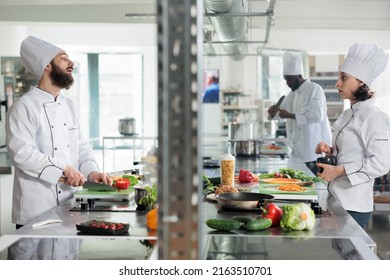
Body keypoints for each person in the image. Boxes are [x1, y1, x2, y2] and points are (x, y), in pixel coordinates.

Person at [5, 36, 112, 228]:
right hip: (35, 209)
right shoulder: (24, 107)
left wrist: (91, 172)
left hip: (68, 205)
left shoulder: (68, 105)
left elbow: (80, 146)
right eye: (64, 58)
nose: (71, 63)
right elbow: (22, 153)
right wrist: (62, 169)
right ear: (46, 65)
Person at [315, 43, 390, 229]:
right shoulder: (347, 114)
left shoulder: (375, 118)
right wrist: (330, 150)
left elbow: (381, 163)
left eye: (344, 78)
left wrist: (339, 171)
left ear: (361, 82)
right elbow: (351, 152)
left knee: (351, 257)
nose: (337, 83)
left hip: (354, 205)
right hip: (336, 198)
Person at [268, 52, 332, 175]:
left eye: (288, 79)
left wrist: (290, 115)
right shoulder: (292, 94)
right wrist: (272, 112)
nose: (287, 83)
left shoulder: (314, 89)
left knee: (315, 186)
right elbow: (280, 113)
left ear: (298, 76)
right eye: (285, 79)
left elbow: (317, 115)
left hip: (313, 152)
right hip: (297, 151)